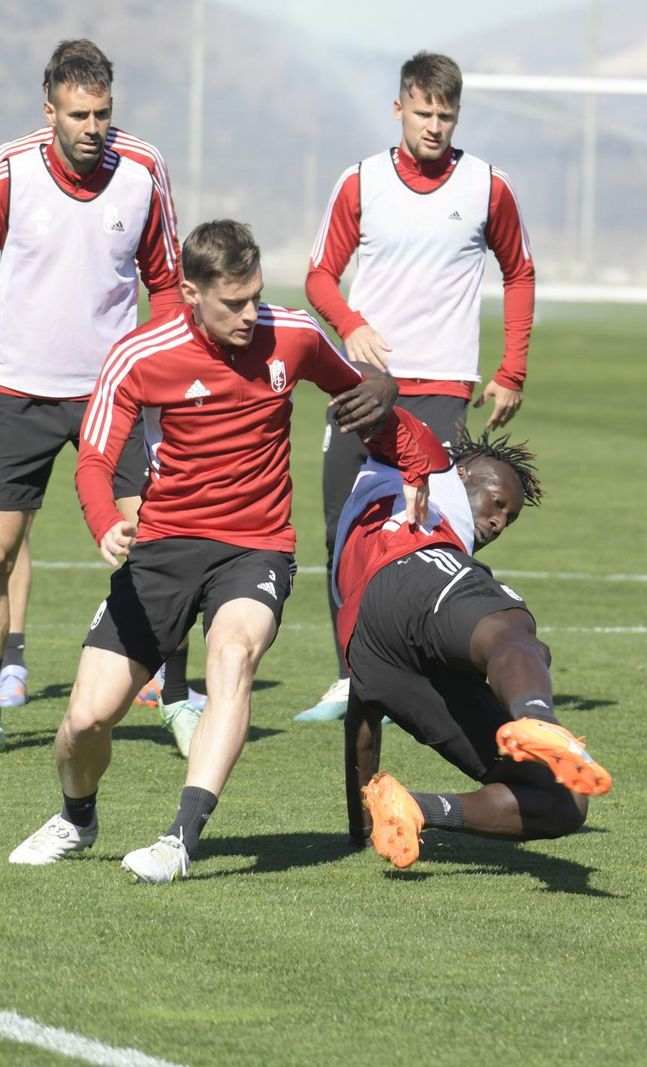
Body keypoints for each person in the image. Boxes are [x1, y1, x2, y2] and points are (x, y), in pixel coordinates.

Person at [6, 220, 398, 883]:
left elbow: (355, 385)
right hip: (163, 548)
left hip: (256, 546)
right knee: (84, 719)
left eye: (255, 297)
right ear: (189, 291)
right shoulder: (141, 354)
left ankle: (180, 839)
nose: (252, 315)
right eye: (234, 304)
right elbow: (97, 458)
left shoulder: (293, 334)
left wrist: (384, 390)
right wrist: (106, 521)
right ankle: (76, 817)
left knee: (233, 654)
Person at [297, 50, 536, 724]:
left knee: (429, 532)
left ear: (458, 115)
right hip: (362, 389)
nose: (434, 126)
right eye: (423, 112)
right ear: (398, 106)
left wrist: (512, 367)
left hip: (442, 388)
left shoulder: (489, 186)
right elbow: (319, 276)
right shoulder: (360, 183)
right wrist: (352, 323)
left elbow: (519, 272)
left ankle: (433, 669)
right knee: (341, 531)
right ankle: (351, 677)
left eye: (446, 115)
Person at [0, 40, 190, 743]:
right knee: (0, 547)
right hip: (16, 390)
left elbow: (166, 281)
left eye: (102, 114)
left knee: (159, 533)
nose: (91, 127)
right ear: (48, 109)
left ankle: (174, 690)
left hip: (114, 392)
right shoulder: (11, 170)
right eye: (77, 114)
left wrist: (168, 375)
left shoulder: (142, 169)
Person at [332, 414, 610, 869]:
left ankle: (416, 809)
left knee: (565, 802)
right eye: (497, 503)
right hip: (408, 568)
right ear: (463, 473)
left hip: (368, 648)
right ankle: (538, 718)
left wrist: (359, 831)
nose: (499, 523)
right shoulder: (434, 467)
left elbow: (362, 720)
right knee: (513, 628)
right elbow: (386, 422)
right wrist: (374, 387)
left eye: (509, 519)